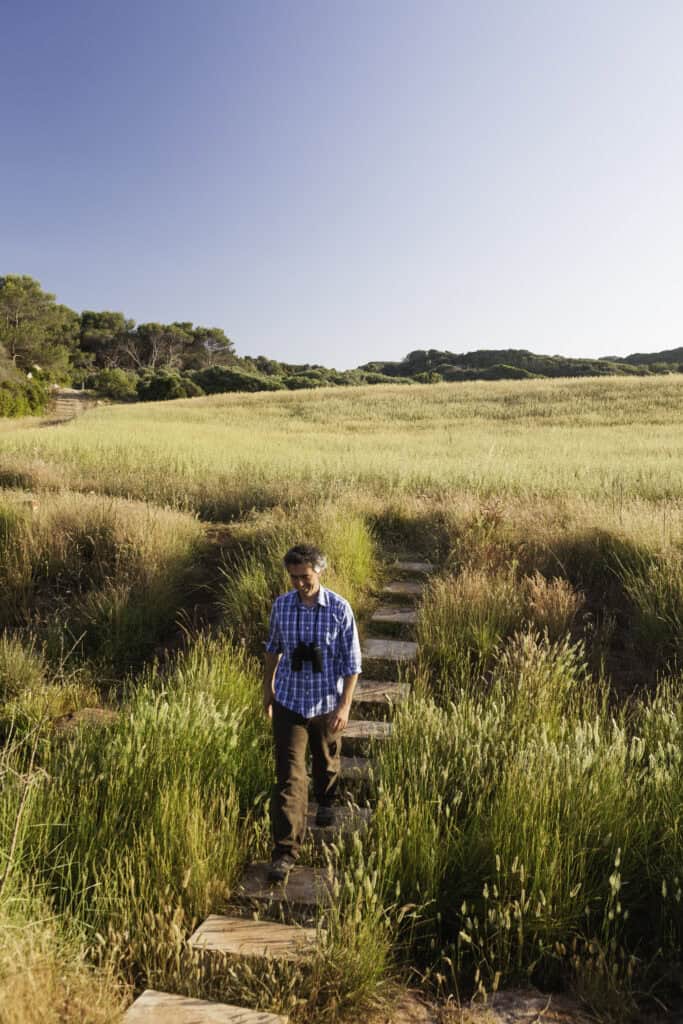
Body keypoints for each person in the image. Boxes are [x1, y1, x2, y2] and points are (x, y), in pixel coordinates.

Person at [263, 543, 362, 882]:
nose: (299, 584)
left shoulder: (339, 609)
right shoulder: (281, 607)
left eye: (304, 577)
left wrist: (345, 706)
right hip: (290, 701)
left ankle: (327, 799)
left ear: (319, 571)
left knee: (326, 759)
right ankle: (286, 851)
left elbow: (352, 663)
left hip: (325, 703)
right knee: (289, 777)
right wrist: (268, 689)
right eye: (293, 578)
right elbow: (273, 649)